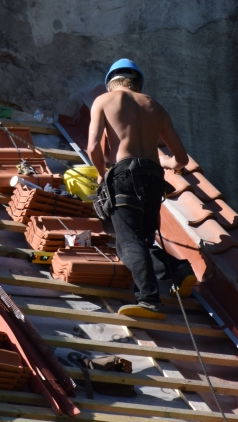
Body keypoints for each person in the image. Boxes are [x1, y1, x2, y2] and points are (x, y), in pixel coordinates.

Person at [87, 59, 197, 319]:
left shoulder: (104, 101)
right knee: (143, 239)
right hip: (153, 177)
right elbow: (180, 159)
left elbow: (92, 147)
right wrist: (168, 163)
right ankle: (178, 270)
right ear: (138, 83)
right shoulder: (155, 107)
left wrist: (103, 174)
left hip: (124, 173)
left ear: (111, 83)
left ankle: (149, 300)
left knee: (128, 244)